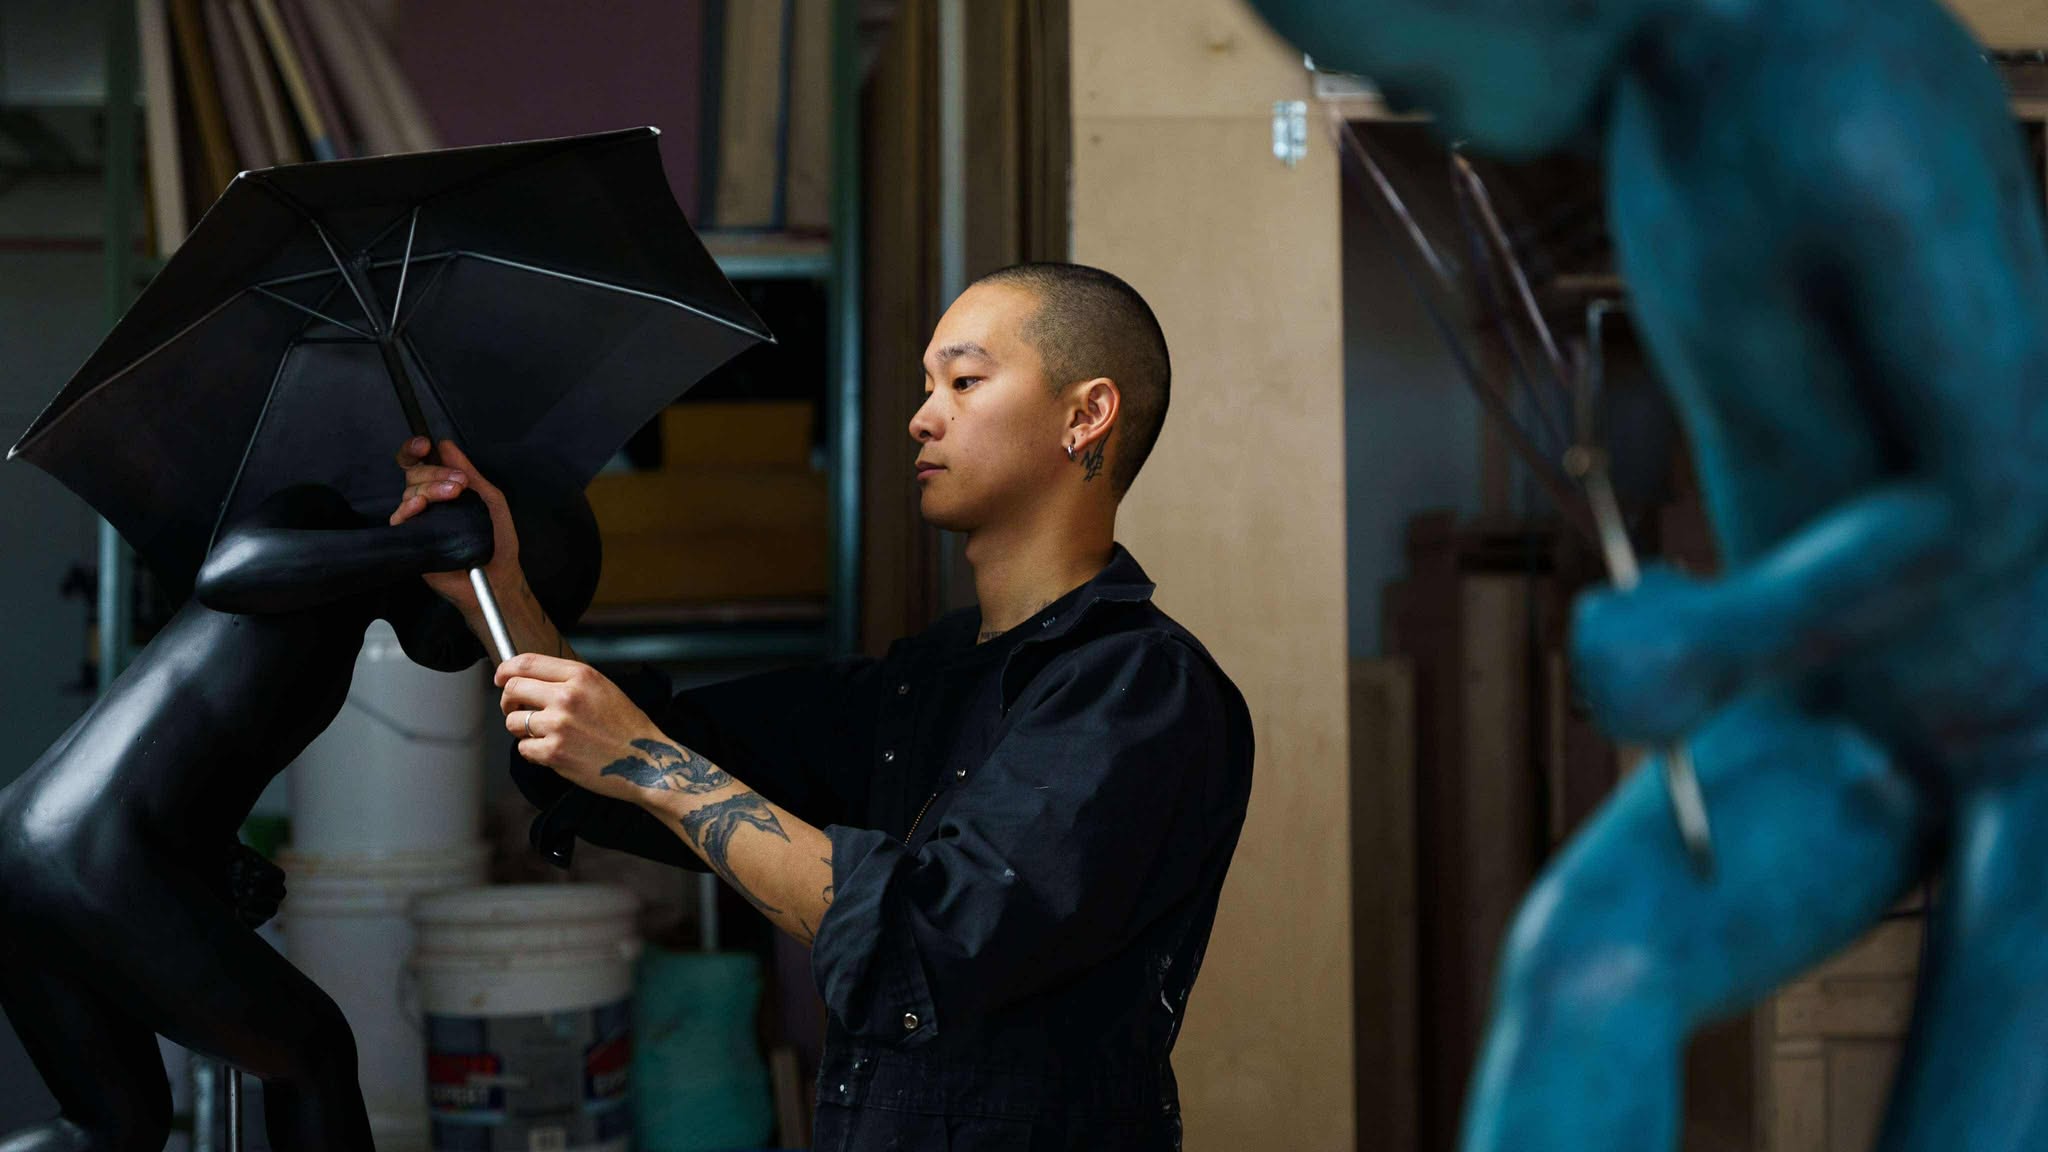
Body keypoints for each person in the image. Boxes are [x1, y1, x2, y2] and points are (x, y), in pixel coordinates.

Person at [1248, 1, 2048, 1150]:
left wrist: (1722, 632)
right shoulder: (1654, 111)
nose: (1425, 106)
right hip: (1842, 702)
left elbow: (2006, 489)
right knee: (1586, 972)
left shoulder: (1855, 97)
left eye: (1419, 64)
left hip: (2026, 729)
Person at [391, 261, 1255, 1151]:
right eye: (927, 387)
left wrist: (649, 763)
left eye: (964, 382)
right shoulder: (919, 685)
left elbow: (930, 942)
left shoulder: (1141, 691)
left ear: (1086, 414)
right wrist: (498, 594)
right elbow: (622, 758)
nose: (921, 417)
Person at [0, 467, 600, 1152]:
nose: (482, 645)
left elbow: (186, 742)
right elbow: (229, 572)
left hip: (44, 841)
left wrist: (210, 857)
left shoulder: (332, 611)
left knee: (111, 1127)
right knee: (312, 1055)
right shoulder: (316, 514)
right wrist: (419, 546)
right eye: (493, 612)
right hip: (96, 856)